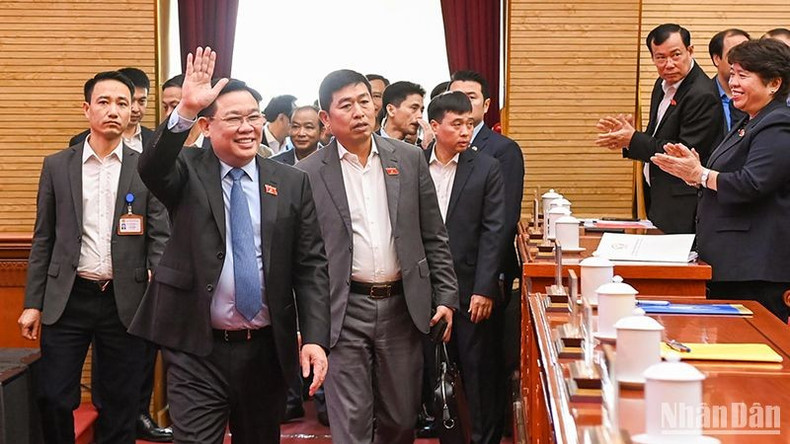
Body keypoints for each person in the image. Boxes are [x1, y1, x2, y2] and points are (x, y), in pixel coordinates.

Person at [128, 47, 330, 444]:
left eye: (254, 117)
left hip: (264, 349)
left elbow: (310, 266)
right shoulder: (187, 169)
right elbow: (151, 167)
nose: (247, 127)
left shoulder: (290, 182)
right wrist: (184, 108)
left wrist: (316, 338)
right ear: (205, 126)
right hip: (196, 347)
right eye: (234, 118)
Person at [297, 69, 458, 444]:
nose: (359, 111)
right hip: (343, 309)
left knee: (401, 419)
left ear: (376, 106)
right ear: (326, 118)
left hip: (402, 307)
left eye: (364, 101)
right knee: (350, 422)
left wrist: (447, 296)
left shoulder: (408, 158)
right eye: (346, 105)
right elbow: (301, 257)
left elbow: (433, 234)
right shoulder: (305, 174)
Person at [18, 70, 170, 444]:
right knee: (53, 395)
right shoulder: (57, 165)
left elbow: (160, 233)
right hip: (68, 298)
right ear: (87, 109)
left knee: (121, 403)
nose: (114, 110)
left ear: (133, 109)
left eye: (123, 102)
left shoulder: (145, 165)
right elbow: (44, 237)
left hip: (126, 299)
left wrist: (156, 276)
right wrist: (33, 303)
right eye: (104, 102)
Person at [651, 38, 790, 322]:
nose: (733, 82)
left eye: (743, 75)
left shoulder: (778, 124)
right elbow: (724, 176)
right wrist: (692, 171)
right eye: (733, 73)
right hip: (729, 262)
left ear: (774, 83)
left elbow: (750, 184)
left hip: (755, 268)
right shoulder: (749, 120)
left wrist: (700, 174)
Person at [424, 91, 506, 444]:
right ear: (434, 126)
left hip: (471, 284)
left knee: (476, 371)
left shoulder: (486, 166)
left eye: (469, 124)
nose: (465, 131)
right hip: (423, 287)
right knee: (432, 369)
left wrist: (485, 287)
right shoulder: (412, 163)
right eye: (456, 124)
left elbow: (494, 229)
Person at [449, 70, 524, 440]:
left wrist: (487, 282)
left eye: (472, 97)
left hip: (484, 277)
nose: (464, 103)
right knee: (451, 370)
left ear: (487, 104)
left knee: (483, 369)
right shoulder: (434, 153)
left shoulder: (503, 151)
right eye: (456, 96)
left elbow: (503, 221)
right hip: (445, 283)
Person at [595, 23, 723, 234]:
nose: (669, 64)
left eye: (676, 55)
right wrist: (627, 137)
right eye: (660, 57)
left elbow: (681, 152)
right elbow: (658, 137)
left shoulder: (702, 94)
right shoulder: (662, 85)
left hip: (684, 202)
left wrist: (633, 139)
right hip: (659, 196)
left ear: (690, 51)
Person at [70, 67, 154, 153]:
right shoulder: (79, 142)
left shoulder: (155, 140)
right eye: (131, 101)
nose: (135, 109)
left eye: (142, 101)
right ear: (87, 109)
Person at [708, 29, 750, 134]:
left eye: (746, 55)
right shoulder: (702, 97)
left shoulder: (757, 97)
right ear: (717, 59)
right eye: (733, 55)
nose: (742, 61)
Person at [378, 81, 433, 148]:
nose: (420, 116)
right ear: (391, 110)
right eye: (414, 108)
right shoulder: (368, 143)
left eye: (421, 110)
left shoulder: (420, 151)